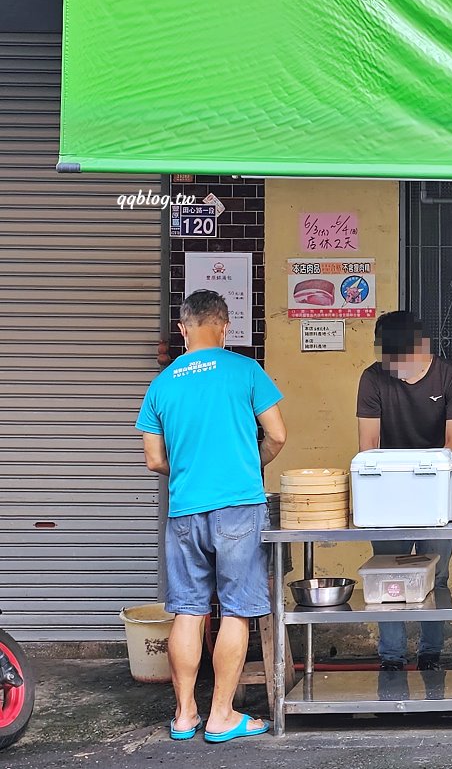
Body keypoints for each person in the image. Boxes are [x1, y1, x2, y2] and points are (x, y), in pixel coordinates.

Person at [135, 290, 286, 743]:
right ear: (225, 326)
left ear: (183, 330)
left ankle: (185, 716)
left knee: (187, 611)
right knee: (237, 611)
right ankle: (222, 715)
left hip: (185, 511)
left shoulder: (162, 383)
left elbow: (153, 461)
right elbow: (277, 436)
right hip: (239, 506)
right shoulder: (246, 370)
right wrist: (249, 463)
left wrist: (189, 468)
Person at [357, 310, 452, 671]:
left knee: (436, 575)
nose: (395, 366)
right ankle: (391, 657)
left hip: (436, 493)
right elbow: (368, 447)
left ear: (422, 348)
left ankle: (431, 654)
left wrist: (426, 477)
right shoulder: (372, 379)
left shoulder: (450, 377)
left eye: (401, 358)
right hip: (386, 494)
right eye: (389, 359)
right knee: (388, 573)